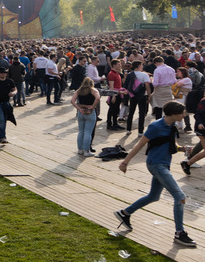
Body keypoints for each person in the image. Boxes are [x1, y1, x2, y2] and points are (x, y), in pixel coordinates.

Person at [115, 101, 197, 247]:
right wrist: (125, 162)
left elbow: (170, 144)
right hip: (156, 165)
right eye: (183, 113)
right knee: (180, 197)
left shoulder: (171, 126)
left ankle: (125, 213)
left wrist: (183, 148)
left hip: (164, 164)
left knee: (153, 196)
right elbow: (139, 144)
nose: (185, 115)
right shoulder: (155, 126)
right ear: (174, 114)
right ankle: (179, 233)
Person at [71, 77, 100, 157]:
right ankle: (86, 151)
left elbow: (72, 101)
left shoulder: (79, 90)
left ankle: (80, 150)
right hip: (90, 112)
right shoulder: (93, 90)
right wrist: (93, 106)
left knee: (81, 131)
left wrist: (79, 108)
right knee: (88, 132)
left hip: (81, 112)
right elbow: (97, 97)